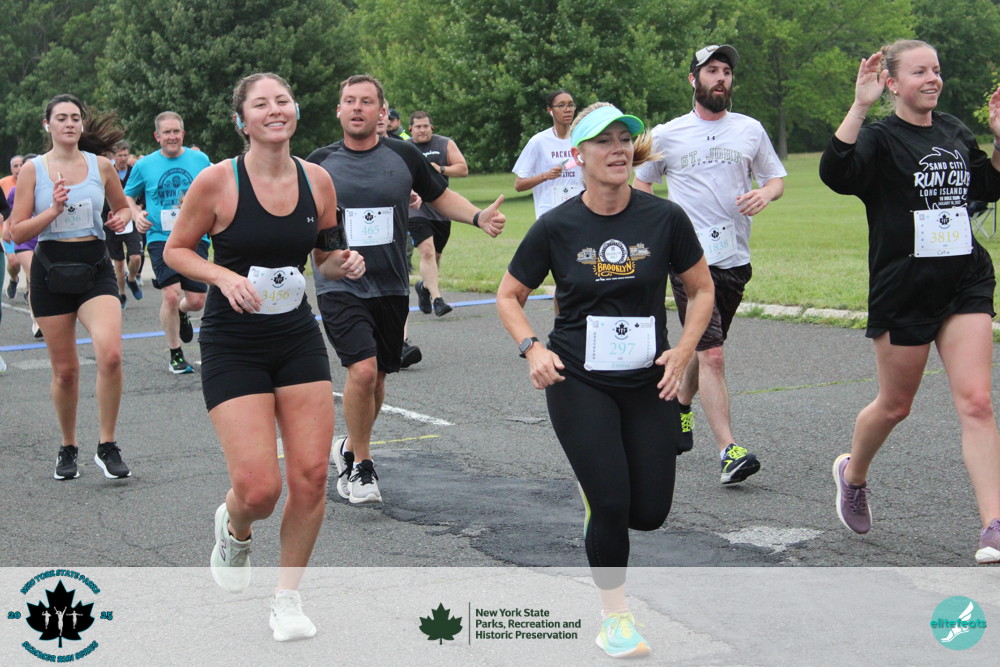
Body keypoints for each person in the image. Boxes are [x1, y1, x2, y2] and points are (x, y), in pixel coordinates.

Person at [497, 103, 713, 658]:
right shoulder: (557, 225)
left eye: (624, 139)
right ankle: (615, 618)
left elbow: (701, 289)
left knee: (650, 513)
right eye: (603, 141)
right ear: (579, 155)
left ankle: (607, 493)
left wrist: (684, 351)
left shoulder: (664, 219)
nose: (618, 149)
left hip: (648, 379)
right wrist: (532, 348)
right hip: (578, 378)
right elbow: (509, 296)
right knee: (612, 502)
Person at [163, 72, 366, 640]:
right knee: (259, 489)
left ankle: (287, 598)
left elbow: (325, 257)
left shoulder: (318, 180)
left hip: (295, 336)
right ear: (242, 120)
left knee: (312, 476)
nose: (274, 110)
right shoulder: (217, 181)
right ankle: (235, 526)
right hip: (234, 343)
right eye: (261, 104)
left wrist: (343, 263)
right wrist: (222, 276)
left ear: (294, 111)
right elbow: (177, 251)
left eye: (282, 101)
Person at [819, 40, 1000, 564]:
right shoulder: (879, 138)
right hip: (905, 288)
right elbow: (836, 172)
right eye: (919, 71)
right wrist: (860, 106)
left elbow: (988, 186)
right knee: (896, 405)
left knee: (977, 401)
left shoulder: (954, 130)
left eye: (936, 70)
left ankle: (993, 525)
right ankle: (853, 474)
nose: (932, 79)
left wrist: (998, 139)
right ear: (892, 83)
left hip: (964, 280)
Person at [307, 74, 505, 505]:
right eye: (349, 101)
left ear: (382, 112)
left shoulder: (403, 155)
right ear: (338, 110)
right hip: (339, 283)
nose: (357, 108)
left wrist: (477, 217)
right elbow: (298, 217)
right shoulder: (319, 163)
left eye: (366, 101)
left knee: (378, 377)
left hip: (391, 284)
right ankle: (362, 465)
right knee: (361, 370)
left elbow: (438, 195)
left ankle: (349, 445)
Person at [633, 44, 785, 484]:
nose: (720, 78)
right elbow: (642, 186)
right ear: (693, 79)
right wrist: (661, 235)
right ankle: (728, 450)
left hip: (734, 258)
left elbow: (775, 178)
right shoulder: (667, 134)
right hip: (688, 262)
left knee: (705, 349)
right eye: (711, 70)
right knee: (712, 353)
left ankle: (680, 404)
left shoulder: (750, 129)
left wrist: (765, 193)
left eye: (726, 72)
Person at [9, 94, 133, 480]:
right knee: (65, 371)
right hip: (51, 271)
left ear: (82, 123)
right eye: (61, 118)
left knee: (111, 355)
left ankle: (107, 445)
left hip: (94, 267)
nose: (69, 124)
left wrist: (121, 218)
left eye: (75, 117)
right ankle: (68, 445)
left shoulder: (101, 166)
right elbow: (16, 232)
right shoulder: (33, 170)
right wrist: (53, 211)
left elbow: (123, 207)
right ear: (47, 125)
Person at [126, 111, 211, 374]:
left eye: (176, 132)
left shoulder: (200, 160)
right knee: (171, 294)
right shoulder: (145, 165)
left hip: (195, 235)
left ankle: (183, 313)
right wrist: (136, 214)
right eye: (167, 132)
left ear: (183, 134)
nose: (172, 137)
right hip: (160, 237)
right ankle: (176, 354)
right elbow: (127, 196)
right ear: (157, 136)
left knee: (196, 301)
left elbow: (216, 188)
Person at [407, 110, 468, 316]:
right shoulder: (405, 148)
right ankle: (437, 299)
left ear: (431, 127)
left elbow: (463, 169)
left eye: (426, 126)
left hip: (441, 208)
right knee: (427, 251)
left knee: (436, 256)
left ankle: (424, 286)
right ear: (411, 129)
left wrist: (440, 169)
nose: (422, 130)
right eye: (418, 127)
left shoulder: (444, 144)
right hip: (415, 208)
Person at [512, 90, 584, 220]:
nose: (567, 109)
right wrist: (545, 176)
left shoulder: (582, 140)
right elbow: (519, 185)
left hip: (578, 212)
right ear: (550, 110)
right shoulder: (538, 142)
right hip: (549, 214)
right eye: (561, 105)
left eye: (571, 105)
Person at [103, 140, 143, 309]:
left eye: (125, 155)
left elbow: (143, 190)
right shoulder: (107, 171)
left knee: (136, 257)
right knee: (118, 263)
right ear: (114, 156)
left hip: (130, 220)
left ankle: (131, 278)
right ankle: (121, 293)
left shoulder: (134, 172)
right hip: (111, 221)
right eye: (119, 155)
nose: (123, 159)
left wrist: (141, 207)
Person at [3, 155, 24, 299]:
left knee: (31, 262)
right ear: (11, 169)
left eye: (21, 165)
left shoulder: (33, 181)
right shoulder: (4, 184)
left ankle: (29, 290)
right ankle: (14, 279)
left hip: (27, 229)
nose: (18, 168)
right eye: (15, 166)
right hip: (7, 230)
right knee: (14, 261)